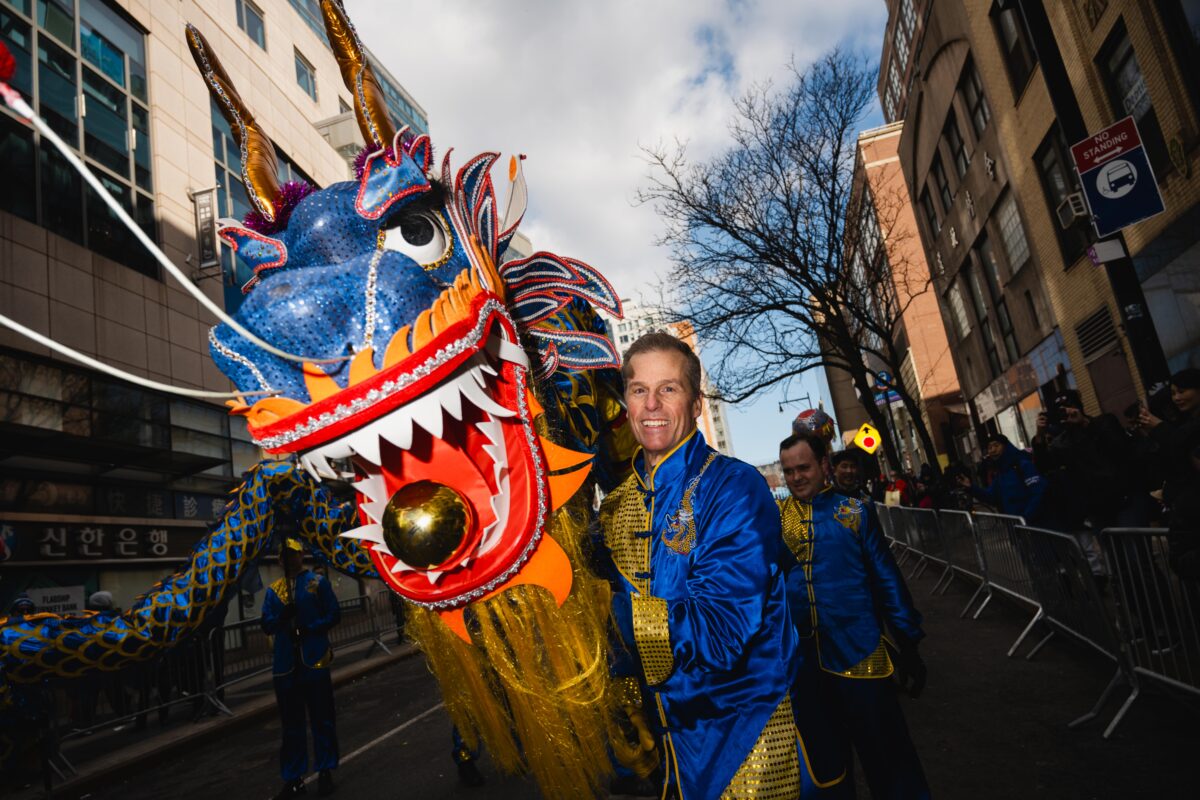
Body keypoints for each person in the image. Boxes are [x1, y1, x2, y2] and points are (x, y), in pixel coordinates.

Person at [598, 331, 801, 800]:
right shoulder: (615, 506)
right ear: (625, 403)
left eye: (668, 389)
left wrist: (608, 610)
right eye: (638, 390)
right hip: (667, 754)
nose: (651, 405)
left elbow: (722, 633)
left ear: (694, 404)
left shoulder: (734, 487)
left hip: (745, 746)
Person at [779, 431, 931, 800]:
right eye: (788, 471)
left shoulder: (855, 512)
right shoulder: (776, 520)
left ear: (823, 466)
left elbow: (886, 578)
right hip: (804, 666)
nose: (796, 477)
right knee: (824, 770)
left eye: (804, 467)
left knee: (890, 761)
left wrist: (908, 640)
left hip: (861, 656)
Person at [262, 536, 341, 798]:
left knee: (322, 718)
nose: (290, 559)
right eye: (284, 555)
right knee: (291, 725)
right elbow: (266, 623)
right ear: (280, 559)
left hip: (314, 660)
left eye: (293, 553)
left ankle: (325, 770)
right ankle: (294, 777)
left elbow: (334, 614)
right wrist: (281, 618)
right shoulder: (274, 590)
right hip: (285, 667)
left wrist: (309, 628)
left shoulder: (318, 583)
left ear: (301, 554)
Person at [955, 434, 1046, 522]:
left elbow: (1038, 493)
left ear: (1006, 447)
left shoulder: (1023, 465)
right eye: (990, 447)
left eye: (996, 445)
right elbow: (991, 497)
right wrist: (971, 487)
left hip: (1037, 525)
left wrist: (1026, 517)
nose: (992, 450)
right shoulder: (999, 474)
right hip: (1017, 528)